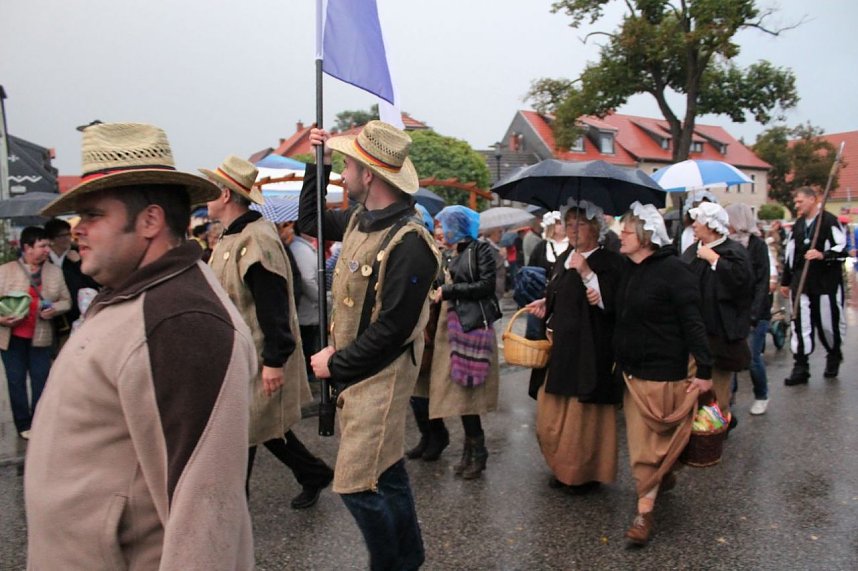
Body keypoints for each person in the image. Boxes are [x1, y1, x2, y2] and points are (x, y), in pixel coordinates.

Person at [25, 122, 256, 569]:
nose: (78, 230)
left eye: (93, 215)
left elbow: (205, 516)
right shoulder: (137, 294)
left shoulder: (182, 321)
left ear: (150, 220)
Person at [300, 121, 440, 570]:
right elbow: (309, 221)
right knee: (388, 470)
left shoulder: (410, 242)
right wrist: (316, 165)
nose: (343, 173)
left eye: (346, 165)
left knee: (357, 485)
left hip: (378, 376)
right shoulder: (362, 219)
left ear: (370, 176)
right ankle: (410, 558)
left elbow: (392, 331)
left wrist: (335, 363)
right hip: (359, 377)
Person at [202, 155, 333, 508]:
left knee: (244, 432)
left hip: (258, 356)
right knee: (264, 428)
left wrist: (274, 359)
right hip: (240, 356)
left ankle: (232, 511)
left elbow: (273, 307)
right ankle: (313, 473)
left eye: (211, 190)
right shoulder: (234, 235)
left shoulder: (256, 239)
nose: (205, 197)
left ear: (227, 195)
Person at [614, 202, 713, 546]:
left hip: (663, 374)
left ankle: (643, 514)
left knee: (646, 449)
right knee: (646, 448)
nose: (620, 236)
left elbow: (694, 324)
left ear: (644, 236)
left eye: (625, 231)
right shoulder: (628, 269)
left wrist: (705, 370)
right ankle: (660, 476)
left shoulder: (674, 272)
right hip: (631, 375)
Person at [526, 200, 624, 493]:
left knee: (583, 421)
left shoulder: (610, 262)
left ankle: (582, 474)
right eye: (568, 224)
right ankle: (561, 467)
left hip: (590, 350)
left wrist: (586, 273)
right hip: (562, 349)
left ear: (595, 227)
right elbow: (559, 290)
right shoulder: (565, 256)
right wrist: (547, 302)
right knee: (551, 417)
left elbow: (612, 303)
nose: (572, 230)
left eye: (579, 224)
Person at [428, 205, 502, 479]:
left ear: (456, 226)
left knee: (468, 392)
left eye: (444, 225)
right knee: (458, 393)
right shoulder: (452, 253)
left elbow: (486, 286)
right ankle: (470, 451)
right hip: (452, 328)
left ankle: (478, 452)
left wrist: (448, 291)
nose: (440, 231)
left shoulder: (480, 250)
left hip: (471, 329)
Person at [681, 202, 753, 423]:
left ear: (711, 226)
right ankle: (689, 434)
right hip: (694, 333)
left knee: (718, 391)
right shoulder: (692, 251)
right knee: (688, 386)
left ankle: (714, 436)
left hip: (720, 336)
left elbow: (741, 286)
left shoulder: (734, 252)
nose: (694, 225)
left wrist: (714, 259)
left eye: (698, 221)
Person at [0, 226, 71, 439]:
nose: (47, 249)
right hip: (11, 339)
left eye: (48, 245)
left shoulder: (55, 272)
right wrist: (2, 319)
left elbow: (66, 300)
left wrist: (54, 309)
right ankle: (23, 424)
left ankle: (40, 422)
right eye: (42, 245)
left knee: (42, 380)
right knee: (16, 381)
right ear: (27, 248)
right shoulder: (5, 271)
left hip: (41, 337)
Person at [781, 187, 848, 383]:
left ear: (812, 200)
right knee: (800, 324)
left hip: (826, 283)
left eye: (800, 201)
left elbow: (842, 248)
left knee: (827, 323)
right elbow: (790, 255)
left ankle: (833, 354)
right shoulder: (798, 225)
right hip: (801, 283)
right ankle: (801, 365)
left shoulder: (829, 221)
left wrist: (823, 255)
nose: (797, 205)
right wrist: (786, 281)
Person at [726, 204, 772, 415]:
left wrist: (754, 313)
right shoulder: (729, 246)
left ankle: (761, 395)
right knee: (732, 357)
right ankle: (730, 396)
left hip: (756, 313)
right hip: (734, 311)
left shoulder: (757, 245)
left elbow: (762, 281)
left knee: (753, 358)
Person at [44, 218, 100, 351]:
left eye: (69, 234)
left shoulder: (78, 253)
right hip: (51, 311)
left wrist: (78, 263)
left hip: (75, 311)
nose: (68, 239)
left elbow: (93, 282)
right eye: (63, 236)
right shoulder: (44, 258)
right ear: (52, 239)